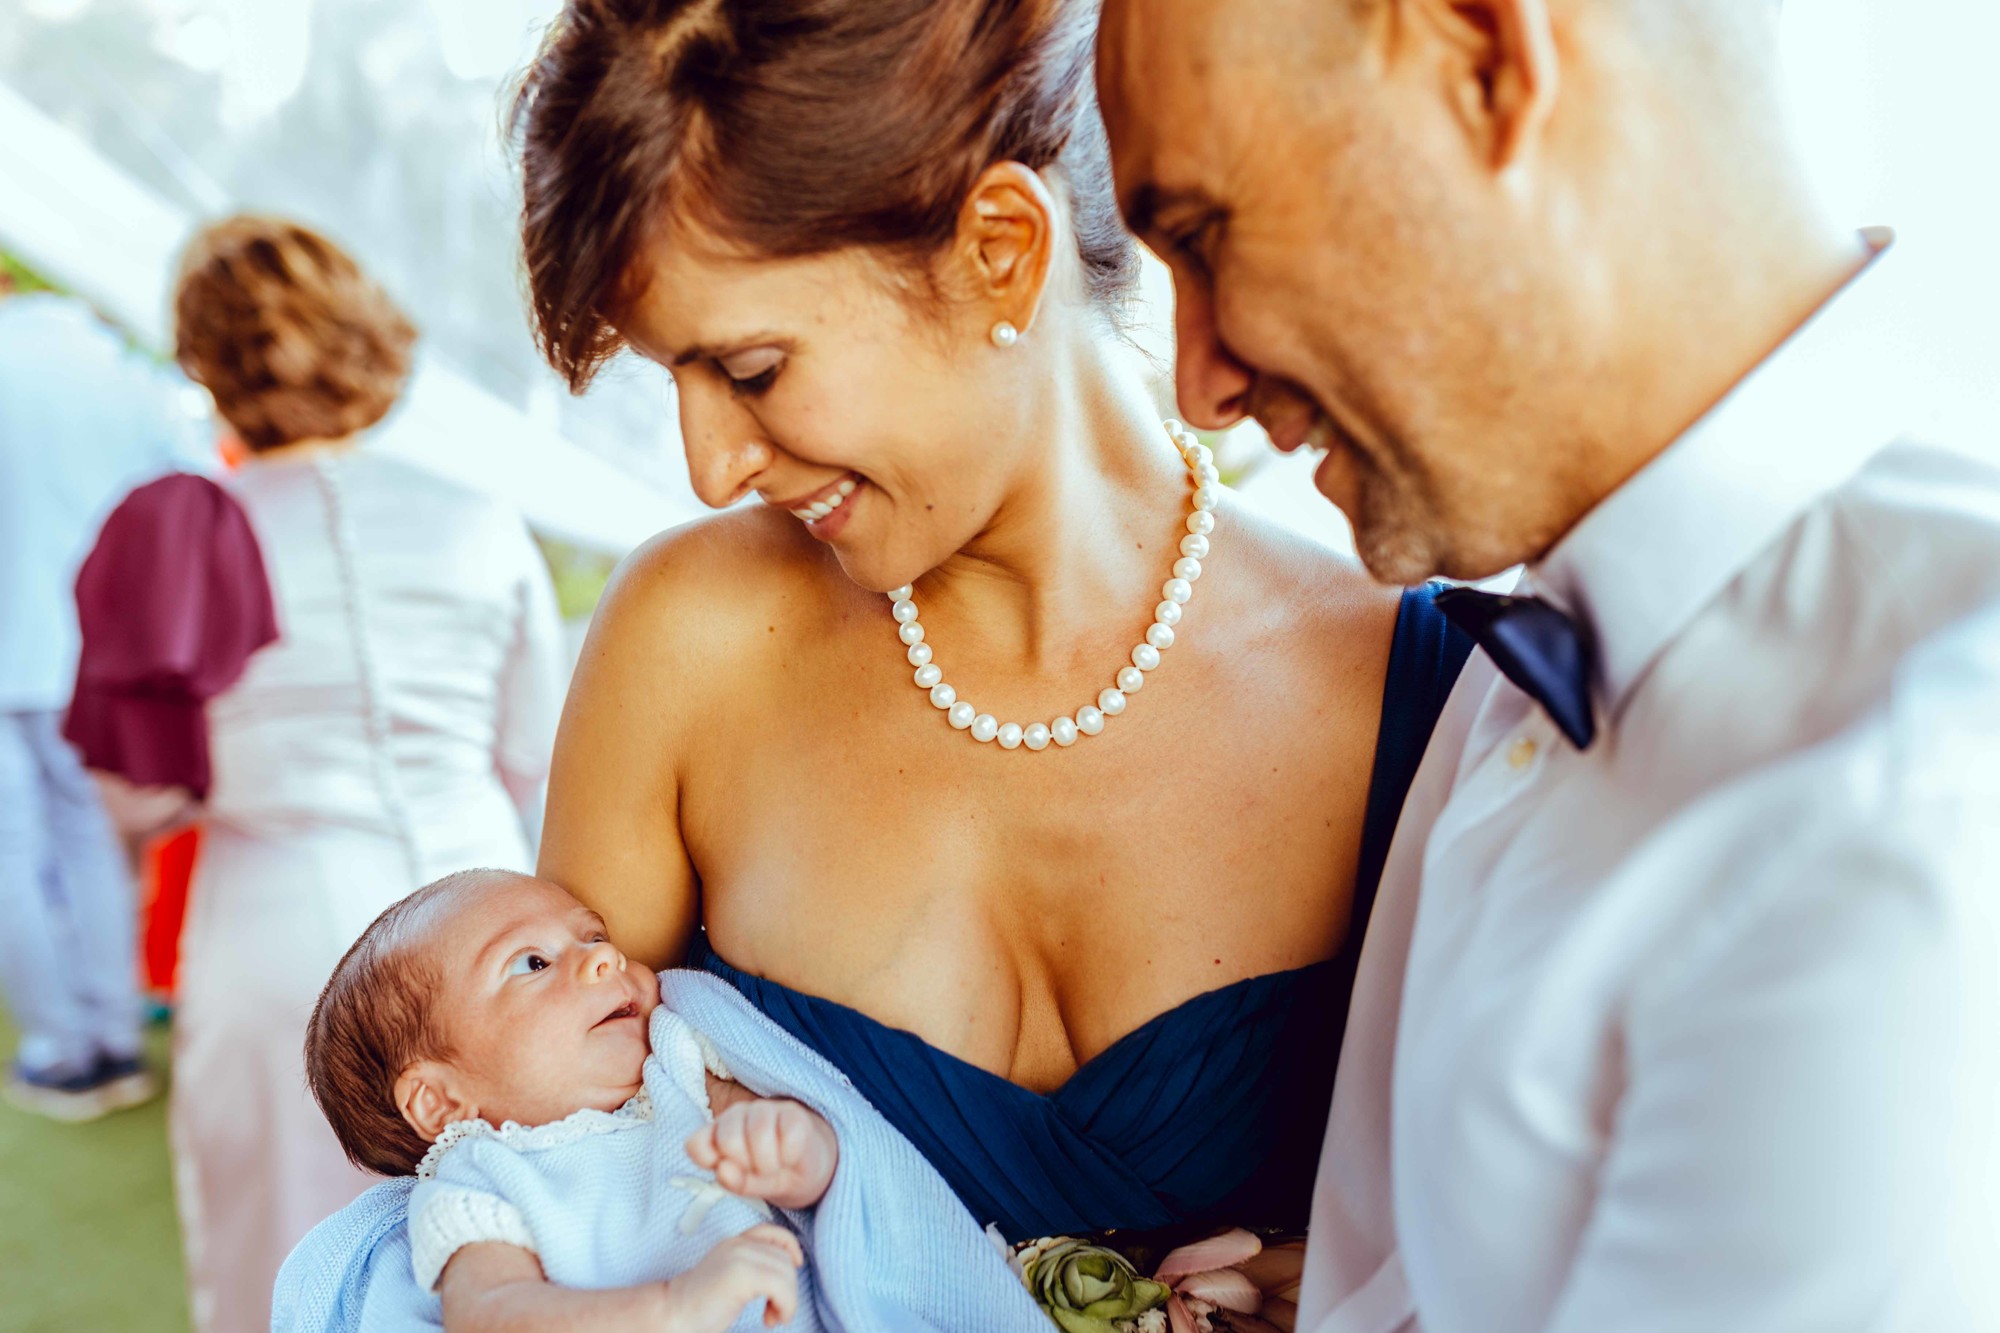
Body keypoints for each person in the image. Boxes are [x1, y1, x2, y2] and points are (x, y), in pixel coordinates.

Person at [1094, 1, 2000, 1329]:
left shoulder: (1907, 829)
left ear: (1484, 60)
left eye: (1207, 235)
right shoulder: (1541, 631)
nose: (1199, 383)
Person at [512, 0, 1471, 1252]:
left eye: (749, 370)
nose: (708, 466)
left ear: (1003, 248)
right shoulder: (685, 645)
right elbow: (544, 1162)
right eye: (672, 379)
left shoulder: (1418, 688)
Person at [69, 217, 567, 1333]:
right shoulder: (474, 520)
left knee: (276, 1245)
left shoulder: (182, 538)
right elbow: (534, 747)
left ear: (208, 362)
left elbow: (136, 795)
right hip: (482, 915)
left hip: (271, 927)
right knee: (519, 1225)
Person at [280, 868, 1056, 1333]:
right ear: (441, 1103)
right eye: (534, 961)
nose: (602, 958)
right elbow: (495, 1313)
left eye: (593, 935)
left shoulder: (679, 1060)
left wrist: (796, 1151)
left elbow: (840, 1173)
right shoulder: (480, 1179)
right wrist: (670, 1307)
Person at [0, 275, 210, 1119]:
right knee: (91, 839)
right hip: (95, 650)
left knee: (14, 853)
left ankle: (60, 1047)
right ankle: (116, 1037)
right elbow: (197, 501)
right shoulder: (128, 378)